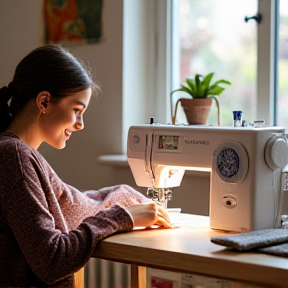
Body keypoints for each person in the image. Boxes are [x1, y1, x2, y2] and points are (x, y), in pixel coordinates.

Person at [0, 44, 174, 287]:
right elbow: (51, 260)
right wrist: (121, 217)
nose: (80, 124)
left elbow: (67, 205)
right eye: (76, 110)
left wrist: (121, 199)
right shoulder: (14, 157)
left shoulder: (16, 153)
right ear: (44, 102)